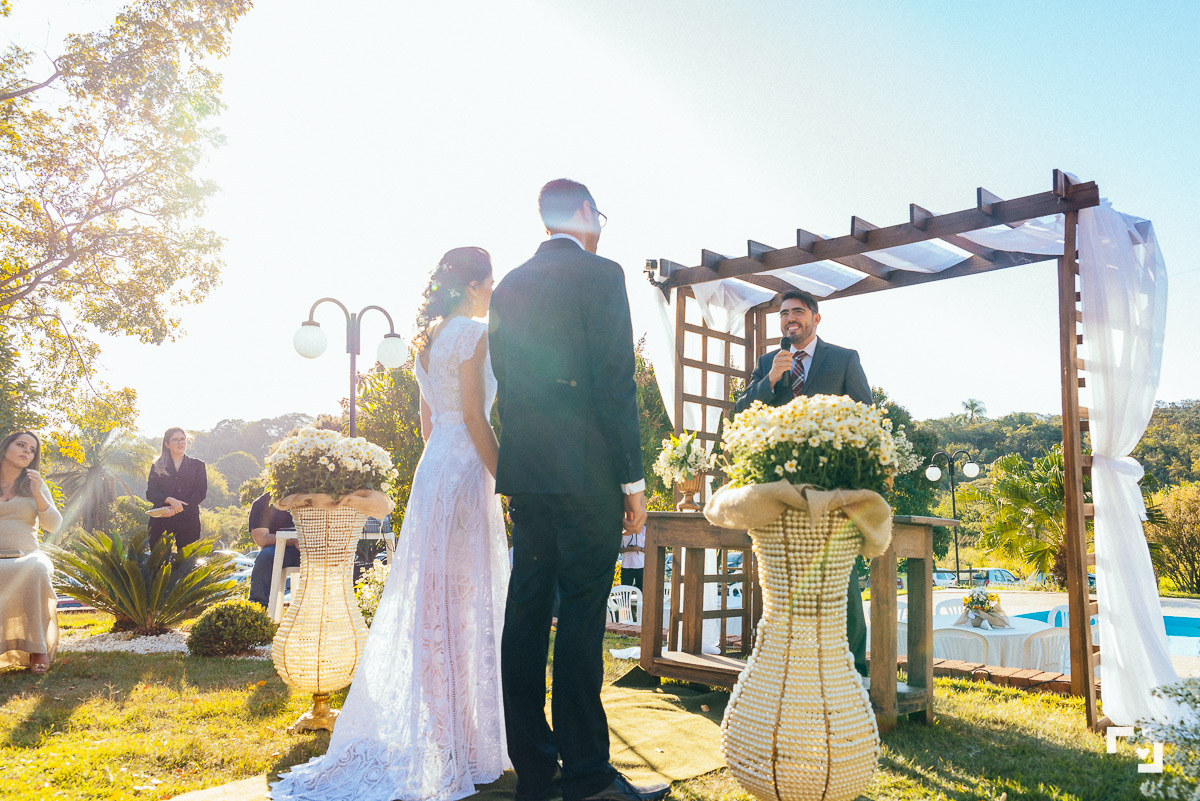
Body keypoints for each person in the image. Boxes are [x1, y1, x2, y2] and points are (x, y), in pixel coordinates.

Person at [271, 247, 509, 801]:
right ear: (476, 284)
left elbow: (432, 423)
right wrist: (506, 477)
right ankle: (465, 744)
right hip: (468, 464)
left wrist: (444, 469)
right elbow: (475, 417)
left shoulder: (426, 341)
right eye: (491, 281)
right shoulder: (474, 333)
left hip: (435, 470)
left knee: (435, 601)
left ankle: (445, 736)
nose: (494, 291)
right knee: (466, 598)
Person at [490, 179, 666, 801]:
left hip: (529, 477)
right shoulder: (601, 274)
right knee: (584, 618)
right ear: (586, 213)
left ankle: (535, 770)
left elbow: (506, 383)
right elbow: (616, 383)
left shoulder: (509, 284)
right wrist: (633, 483)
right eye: (601, 216)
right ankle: (589, 775)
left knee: (527, 614)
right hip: (588, 475)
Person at [731, 288, 872, 676]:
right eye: (784, 314)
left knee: (839, 576)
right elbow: (740, 414)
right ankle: (796, 668)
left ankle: (853, 668)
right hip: (779, 490)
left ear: (815, 318)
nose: (789, 318)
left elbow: (866, 415)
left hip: (830, 490)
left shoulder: (843, 359)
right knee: (786, 580)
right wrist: (770, 379)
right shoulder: (767, 362)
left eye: (797, 312)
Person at [0, 431, 63, 674]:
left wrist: (37, 493)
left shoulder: (35, 483)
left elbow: (53, 526)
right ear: (6, 447)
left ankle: (38, 649)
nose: (27, 451)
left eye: (32, 449)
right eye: (21, 445)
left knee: (36, 568)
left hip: (26, 555)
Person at [146, 427, 207, 552]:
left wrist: (178, 509)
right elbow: (150, 493)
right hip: (161, 519)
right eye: (175, 440)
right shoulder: (157, 466)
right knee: (158, 563)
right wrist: (169, 500)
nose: (180, 443)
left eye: (182, 439)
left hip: (189, 519)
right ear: (167, 444)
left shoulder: (198, 465)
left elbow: (200, 493)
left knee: (187, 564)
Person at [246, 491, 297, 609]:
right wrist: (293, 540)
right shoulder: (262, 503)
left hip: (315, 547)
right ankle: (258, 609)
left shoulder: (313, 496)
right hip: (281, 550)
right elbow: (261, 538)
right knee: (265, 556)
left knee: (347, 555)